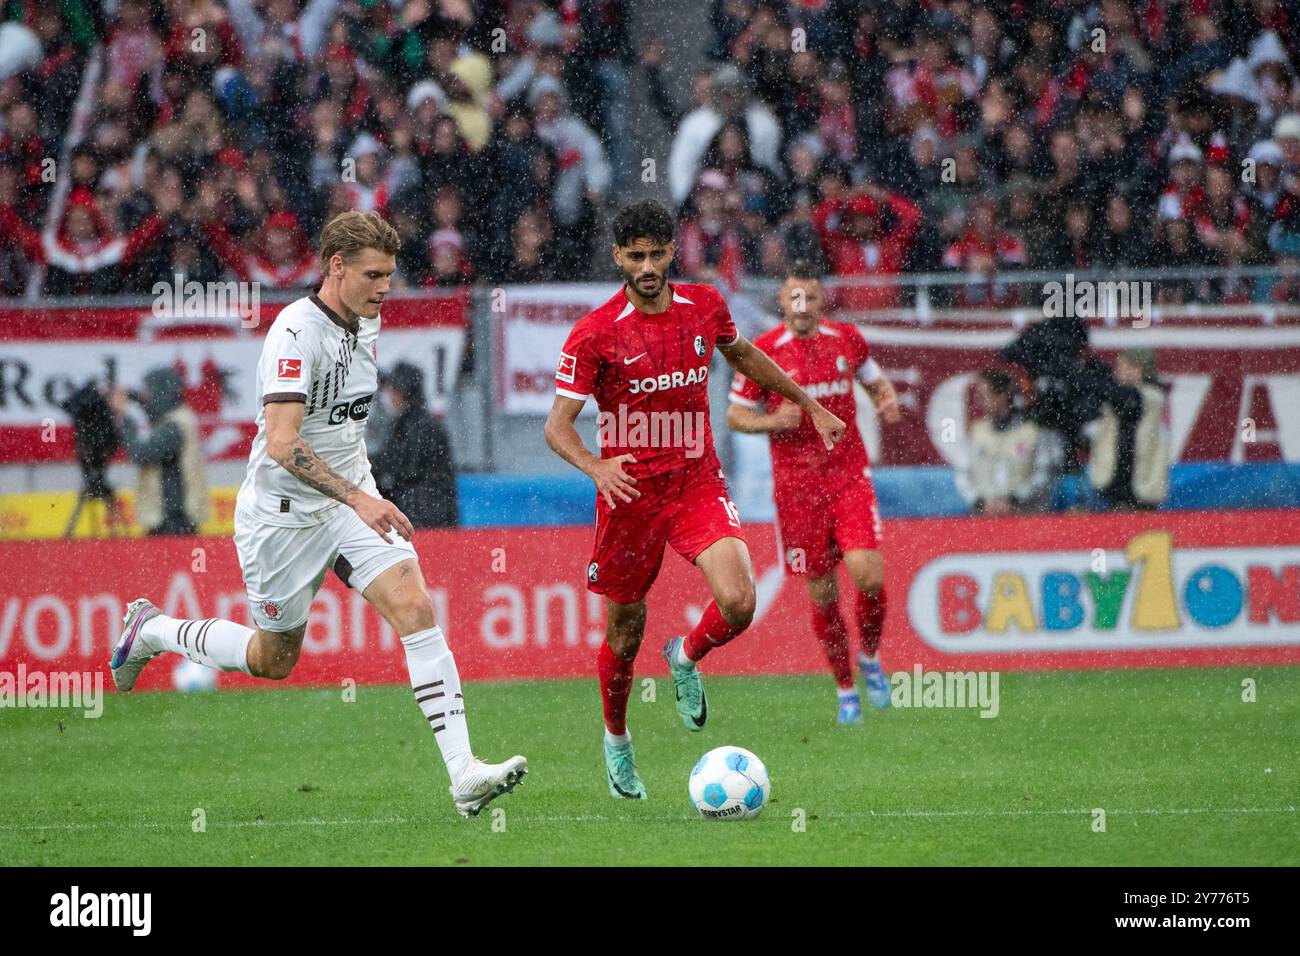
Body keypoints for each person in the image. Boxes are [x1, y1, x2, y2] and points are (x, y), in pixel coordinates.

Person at [109, 211, 525, 818]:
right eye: (373, 275)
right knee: (273, 660)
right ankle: (153, 631)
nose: (386, 288)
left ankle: (463, 773)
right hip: (282, 515)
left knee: (414, 605)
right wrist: (357, 497)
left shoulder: (368, 319)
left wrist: (358, 491)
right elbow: (281, 442)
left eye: (389, 274)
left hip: (349, 497)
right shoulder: (293, 335)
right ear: (336, 268)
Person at [543, 200, 845, 799]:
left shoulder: (704, 306)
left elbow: (745, 356)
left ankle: (685, 655)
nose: (648, 265)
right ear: (618, 258)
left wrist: (809, 404)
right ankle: (618, 740)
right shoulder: (595, 333)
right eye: (636, 256)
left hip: (695, 483)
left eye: (657, 254)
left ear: (671, 252)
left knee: (738, 602)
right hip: (628, 497)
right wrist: (595, 466)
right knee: (624, 636)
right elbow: (557, 426)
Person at [726, 263, 901, 723]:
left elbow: (873, 377)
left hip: (848, 477)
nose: (802, 307)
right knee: (822, 594)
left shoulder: (846, 339)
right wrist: (773, 422)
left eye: (811, 298)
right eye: (794, 298)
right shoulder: (761, 353)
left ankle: (870, 656)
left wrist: (885, 397)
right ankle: (846, 689)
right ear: (781, 302)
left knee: (868, 576)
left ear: (822, 302)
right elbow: (735, 417)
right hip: (797, 491)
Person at [109, 367, 211, 536]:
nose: (146, 397)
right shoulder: (179, 416)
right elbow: (153, 407)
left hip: (173, 518)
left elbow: (140, 453)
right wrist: (129, 395)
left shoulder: (174, 425)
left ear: (161, 390)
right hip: (173, 515)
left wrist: (125, 418)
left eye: (149, 391)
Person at [371, 362, 459, 529]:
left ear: (405, 393)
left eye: (393, 391)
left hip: (425, 517)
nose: (390, 397)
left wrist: (368, 467)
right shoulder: (409, 423)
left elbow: (402, 469)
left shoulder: (420, 427)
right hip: (425, 512)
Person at [955, 369, 1053, 515]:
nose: (979, 402)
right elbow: (963, 473)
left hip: (1026, 519)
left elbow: (1044, 474)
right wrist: (979, 501)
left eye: (984, 396)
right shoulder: (976, 433)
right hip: (985, 520)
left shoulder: (1033, 432)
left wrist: (1015, 499)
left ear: (1001, 397)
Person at [1088, 350, 1170, 510]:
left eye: (1123, 366)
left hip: (1141, 485)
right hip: (1117, 484)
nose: (1117, 372)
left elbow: (1125, 398)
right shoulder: (1121, 397)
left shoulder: (1151, 396)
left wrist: (1089, 380)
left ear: (1138, 369)